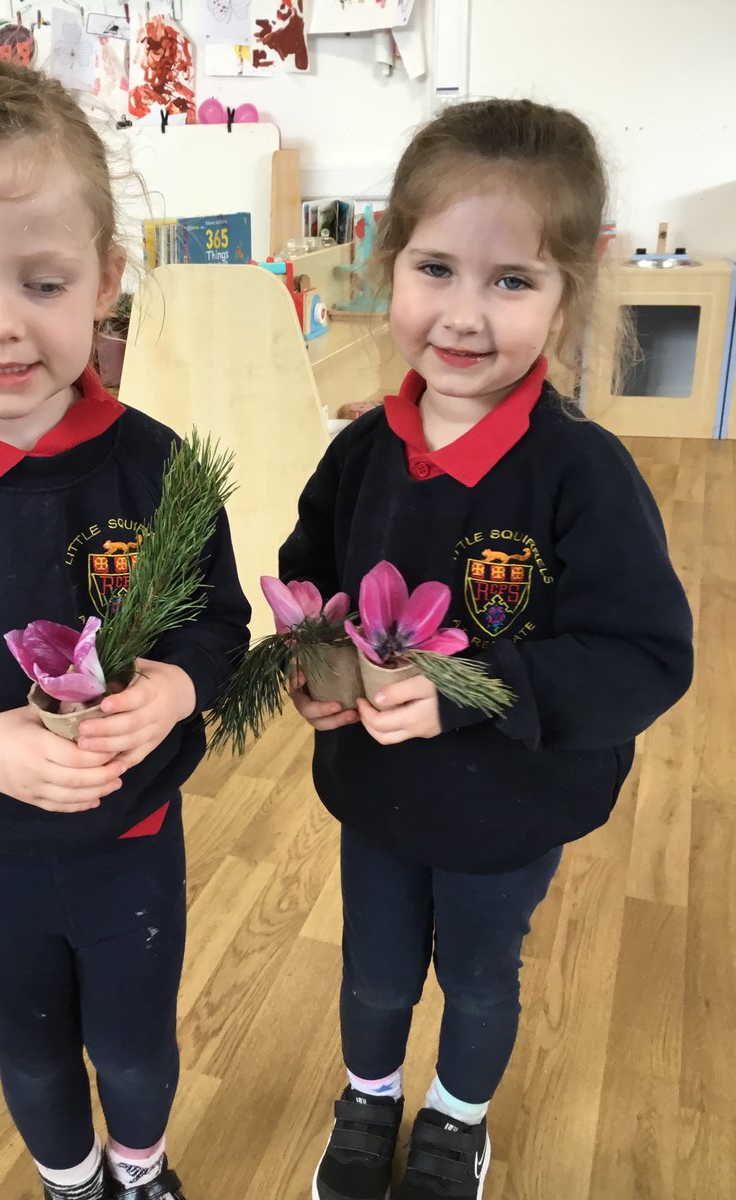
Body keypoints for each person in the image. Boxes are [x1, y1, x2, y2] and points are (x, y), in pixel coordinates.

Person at [0, 52, 250, 1200]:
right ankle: (71, 1180)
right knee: (28, 1047)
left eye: (46, 282)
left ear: (108, 276)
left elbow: (219, 623)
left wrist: (172, 689)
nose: (3, 326)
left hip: (131, 841)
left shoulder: (158, 464)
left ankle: (140, 1166)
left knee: (134, 1045)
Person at [279, 99, 693, 1200]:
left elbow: (647, 658)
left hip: (511, 812)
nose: (465, 315)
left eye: (512, 280)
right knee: (371, 972)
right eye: (437, 269)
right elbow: (309, 567)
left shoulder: (584, 475)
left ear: (572, 287)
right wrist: (312, 667)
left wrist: (470, 692)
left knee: (476, 976)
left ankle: (456, 1121)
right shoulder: (362, 449)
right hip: (374, 793)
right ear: (387, 262)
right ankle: (367, 1098)